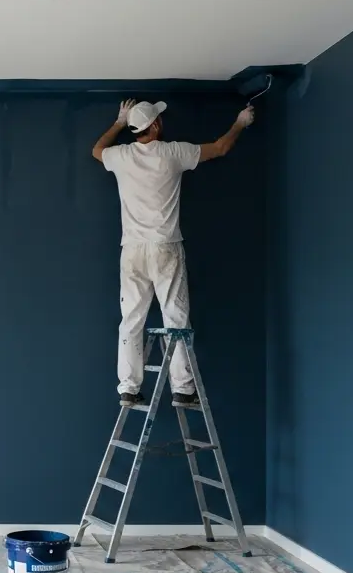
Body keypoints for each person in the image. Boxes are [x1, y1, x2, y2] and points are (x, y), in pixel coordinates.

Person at [91, 99, 254, 408]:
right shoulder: (172, 153)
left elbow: (97, 150)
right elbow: (220, 148)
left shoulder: (121, 156)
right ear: (155, 125)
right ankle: (182, 388)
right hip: (165, 246)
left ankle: (128, 388)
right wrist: (240, 123)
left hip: (132, 250)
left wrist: (119, 122)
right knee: (175, 318)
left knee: (131, 320)